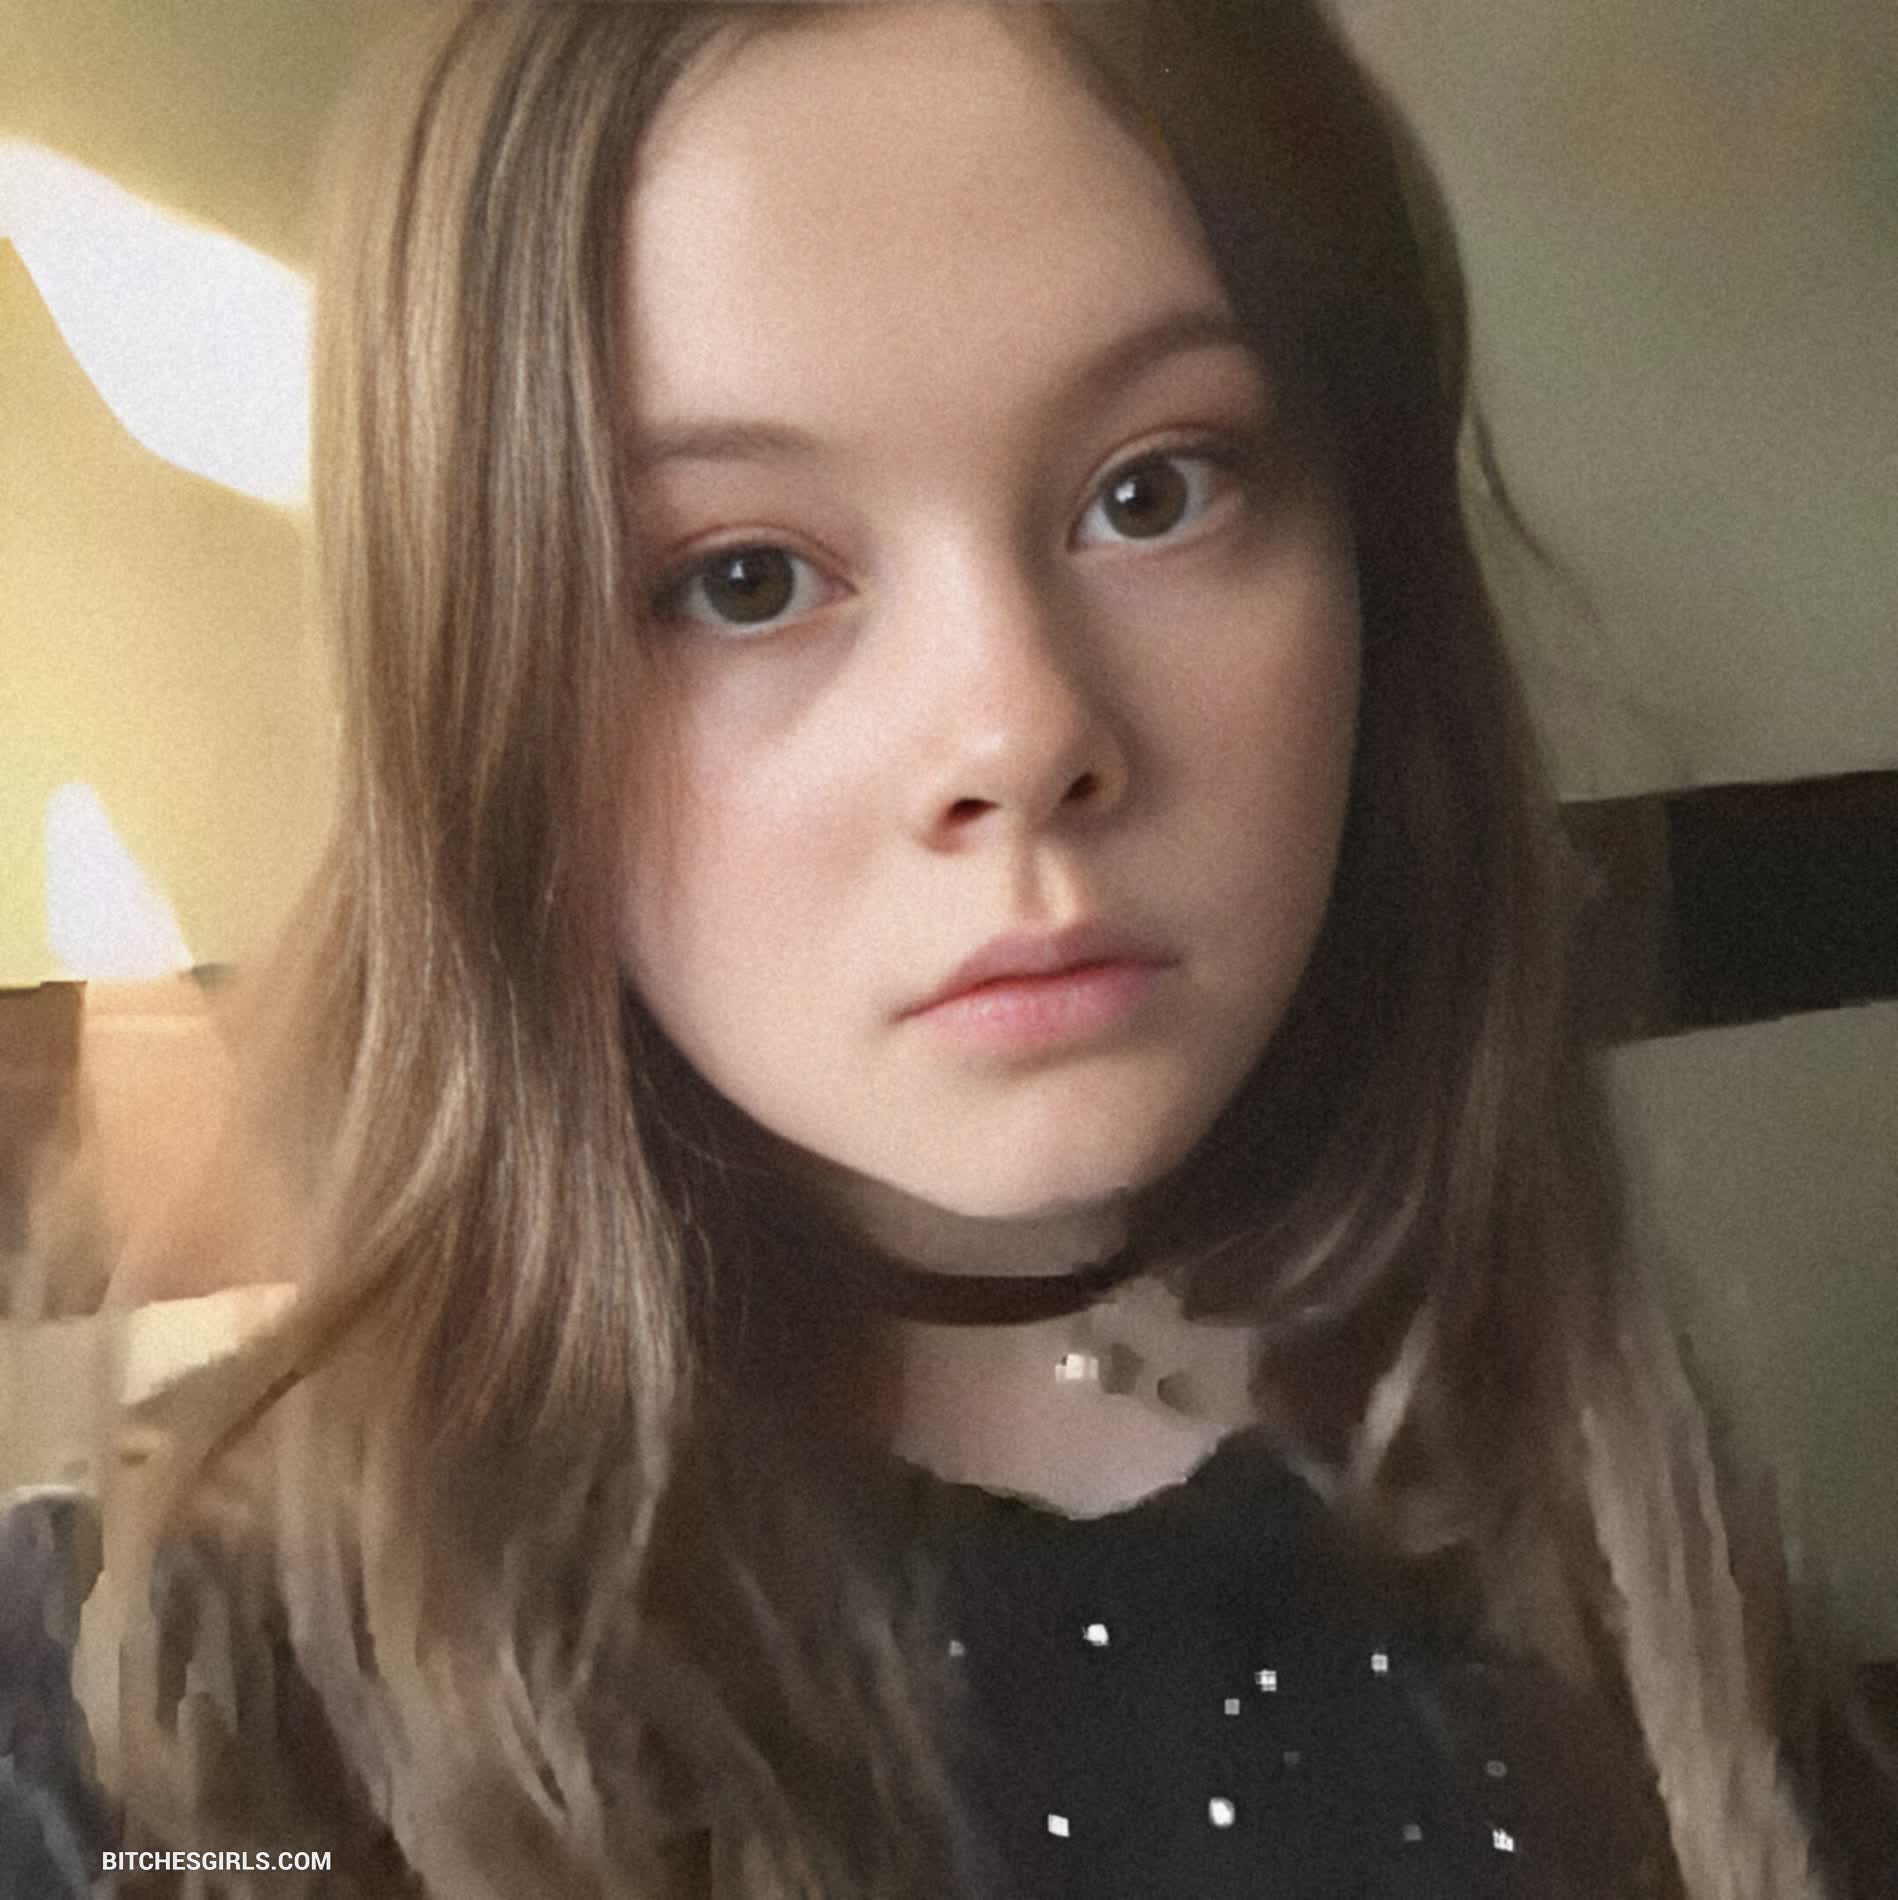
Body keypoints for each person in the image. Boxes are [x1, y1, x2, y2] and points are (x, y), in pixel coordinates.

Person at [52, 3, 1892, 1896]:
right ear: (479, 689)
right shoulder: (177, 1723)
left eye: (1152, 489)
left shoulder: (1601, 1504)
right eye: (742, 578)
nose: (1017, 732)